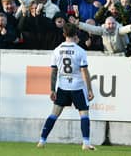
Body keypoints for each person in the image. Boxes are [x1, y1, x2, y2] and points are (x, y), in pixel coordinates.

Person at [37, 23, 96, 151]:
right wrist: (90, 89)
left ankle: (42, 140)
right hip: (77, 87)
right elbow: (84, 72)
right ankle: (86, 143)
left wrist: (52, 89)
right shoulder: (80, 51)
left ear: (63, 34)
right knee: (84, 114)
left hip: (63, 87)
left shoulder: (57, 50)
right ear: (76, 34)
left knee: (54, 114)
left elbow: (54, 72)